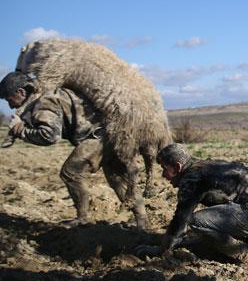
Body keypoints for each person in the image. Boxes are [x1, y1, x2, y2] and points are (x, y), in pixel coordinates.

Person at [0, 71, 148, 228]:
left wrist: (19, 130)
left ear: (21, 92)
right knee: (118, 178)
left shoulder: (42, 103)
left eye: (9, 99)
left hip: (98, 137)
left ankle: (82, 218)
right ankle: (142, 221)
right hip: (113, 132)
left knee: (71, 172)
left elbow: (49, 136)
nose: (9, 105)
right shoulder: (49, 92)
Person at [135, 143, 248, 260]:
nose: (163, 175)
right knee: (220, 218)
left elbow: (182, 219)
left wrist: (162, 250)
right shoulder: (208, 165)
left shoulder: (192, 176)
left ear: (177, 167)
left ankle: (247, 254)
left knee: (196, 221)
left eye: (164, 168)